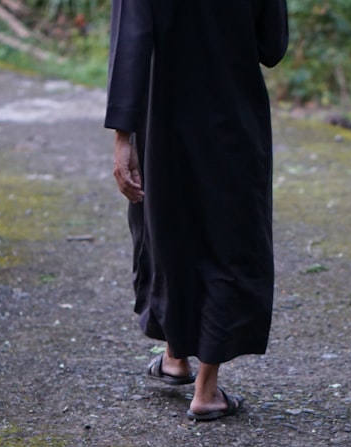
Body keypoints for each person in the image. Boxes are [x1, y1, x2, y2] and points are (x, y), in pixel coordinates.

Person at [105, 0, 289, 421]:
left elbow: (131, 41)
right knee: (226, 234)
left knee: (166, 225)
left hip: (163, 115)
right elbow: (272, 46)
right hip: (230, 114)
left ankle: (176, 357)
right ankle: (201, 385)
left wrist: (122, 135)